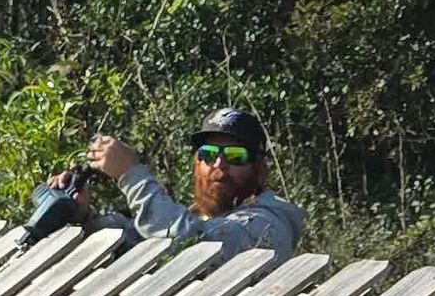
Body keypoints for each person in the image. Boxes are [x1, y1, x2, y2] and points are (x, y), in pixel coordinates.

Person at [86, 107, 306, 262]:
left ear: (258, 167)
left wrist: (130, 174)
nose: (219, 164)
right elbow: (136, 242)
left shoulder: (268, 224)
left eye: (235, 156)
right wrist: (83, 215)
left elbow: (192, 245)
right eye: (208, 154)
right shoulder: (202, 217)